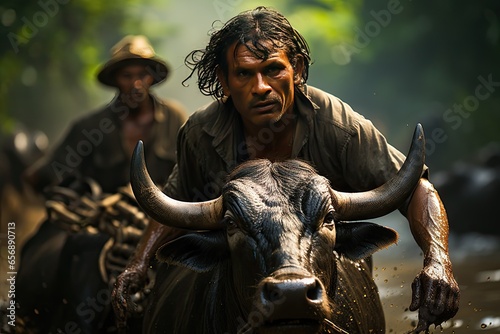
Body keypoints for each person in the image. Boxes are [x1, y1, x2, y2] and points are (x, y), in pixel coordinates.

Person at [112, 7, 460, 333]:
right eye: (244, 74)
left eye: (273, 69)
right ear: (224, 81)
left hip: (325, 270)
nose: (261, 87)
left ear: (297, 70)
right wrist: (139, 264)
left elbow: (416, 188)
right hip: (237, 276)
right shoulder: (201, 132)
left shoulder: (338, 126)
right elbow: (175, 199)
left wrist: (437, 259)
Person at [17, 35, 188, 333]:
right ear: (115, 80)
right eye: (127, 75)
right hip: (102, 219)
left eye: (142, 74)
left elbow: (191, 170)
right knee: (68, 248)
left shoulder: (175, 119)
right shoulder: (90, 127)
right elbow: (48, 172)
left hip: (161, 217)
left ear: (152, 78)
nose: (135, 83)